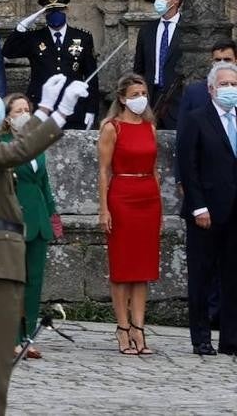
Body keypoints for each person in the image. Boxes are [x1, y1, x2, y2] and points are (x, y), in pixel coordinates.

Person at [0, 73, 82, 416]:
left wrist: (43, 111)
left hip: (0, 255)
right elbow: (17, 151)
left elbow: (13, 144)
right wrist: (58, 114)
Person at [96, 72, 161, 355]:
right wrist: (104, 208)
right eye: (134, 95)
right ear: (122, 98)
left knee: (143, 269)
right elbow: (103, 170)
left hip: (148, 195)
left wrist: (160, 209)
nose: (140, 99)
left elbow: (155, 169)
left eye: (143, 94)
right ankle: (123, 328)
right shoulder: (112, 128)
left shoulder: (150, 127)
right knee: (123, 268)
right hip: (122, 195)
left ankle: (139, 327)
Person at [176, 62, 237, 356]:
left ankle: (231, 338)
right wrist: (198, 207)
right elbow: (189, 167)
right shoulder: (197, 119)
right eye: (224, 85)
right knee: (201, 275)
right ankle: (201, 337)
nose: (229, 90)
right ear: (212, 89)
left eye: (233, 84)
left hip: (235, 212)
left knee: (233, 276)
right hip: (207, 211)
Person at [0, 93, 62, 359]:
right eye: (19, 110)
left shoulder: (37, 144)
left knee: (34, 282)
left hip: (38, 219)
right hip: (15, 218)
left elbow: (44, 182)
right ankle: (11, 336)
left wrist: (53, 215)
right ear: (7, 117)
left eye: (28, 109)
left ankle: (28, 335)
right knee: (14, 281)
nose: (25, 114)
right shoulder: (1, 144)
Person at [1, 0, 98, 129]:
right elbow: (8, 52)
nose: (55, 14)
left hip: (74, 107)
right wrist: (22, 27)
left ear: (66, 10)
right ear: (44, 14)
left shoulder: (82, 37)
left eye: (58, 10)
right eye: (50, 11)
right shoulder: (34, 37)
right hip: (41, 107)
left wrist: (91, 109)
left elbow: (91, 76)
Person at [132, 0, 184, 128]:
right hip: (150, 100)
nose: (158, 0)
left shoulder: (188, 30)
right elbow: (139, 68)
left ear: (176, 0)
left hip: (177, 100)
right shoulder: (147, 30)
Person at [178, 40, 237, 121]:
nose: (222, 63)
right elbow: (184, 128)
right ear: (212, 62)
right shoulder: (194, 93)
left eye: (227, 60)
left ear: (235, 61)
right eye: (218, 60)